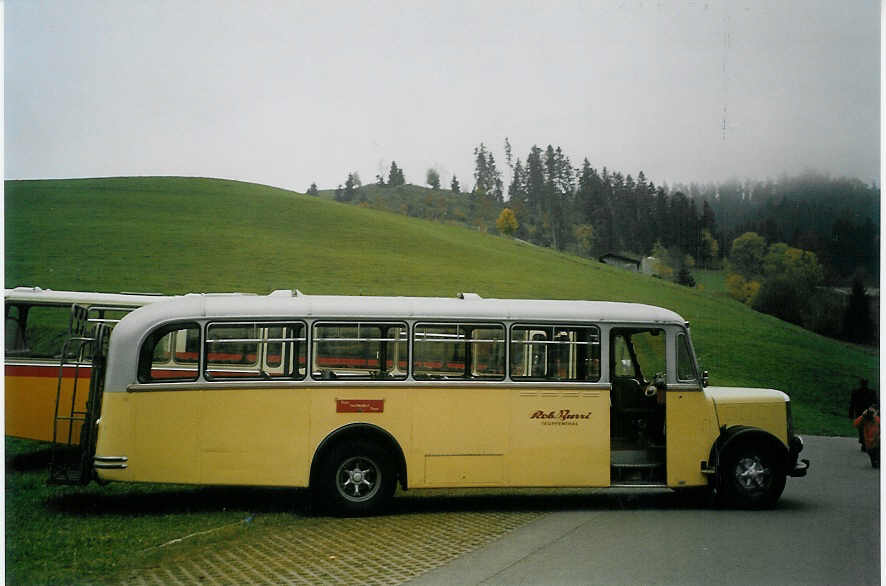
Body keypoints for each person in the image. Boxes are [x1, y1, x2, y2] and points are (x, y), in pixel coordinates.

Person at [850, 379, 878, 448]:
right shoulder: (872, 392)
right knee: (868, 427)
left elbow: (852, 403)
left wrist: (851, 413)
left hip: (860, 412)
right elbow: (875, 402)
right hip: (869, 412)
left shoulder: (856, 392)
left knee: (861, 427)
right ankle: (866, 442)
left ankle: (863, 441)